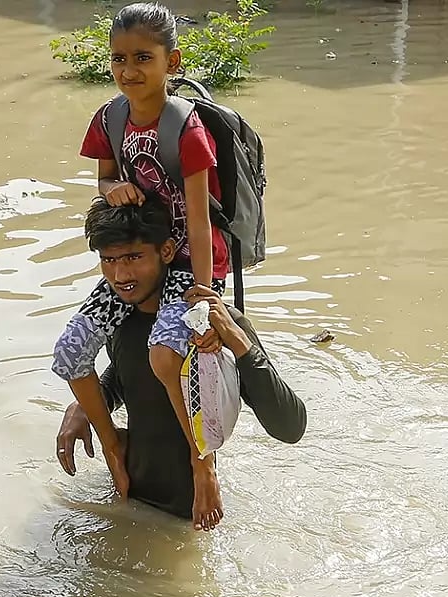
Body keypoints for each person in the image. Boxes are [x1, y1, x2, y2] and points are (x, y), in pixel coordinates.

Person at [52, 2, 231, 513]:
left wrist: (204, 297)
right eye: (119, 59)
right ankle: (113, 445)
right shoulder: (108, 119)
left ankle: (203, 464)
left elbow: (198, 220)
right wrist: (113, 190)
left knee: (163, 352)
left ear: (171, 64)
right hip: (141, 256)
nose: (129, 71)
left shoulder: (188, 131)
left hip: (187, 261)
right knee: (70, 349)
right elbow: (104, 180)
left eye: (143, 59)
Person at [53, 198, 307, 530]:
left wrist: (236, 338)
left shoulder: (215, 329)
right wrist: (85, 406)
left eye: (134, 257)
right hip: (126, 498)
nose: (120, 274)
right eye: (109, 260)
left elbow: (290, 427)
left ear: (167, 252)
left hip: (196, 515)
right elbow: (127, 376)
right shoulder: (118, 322)